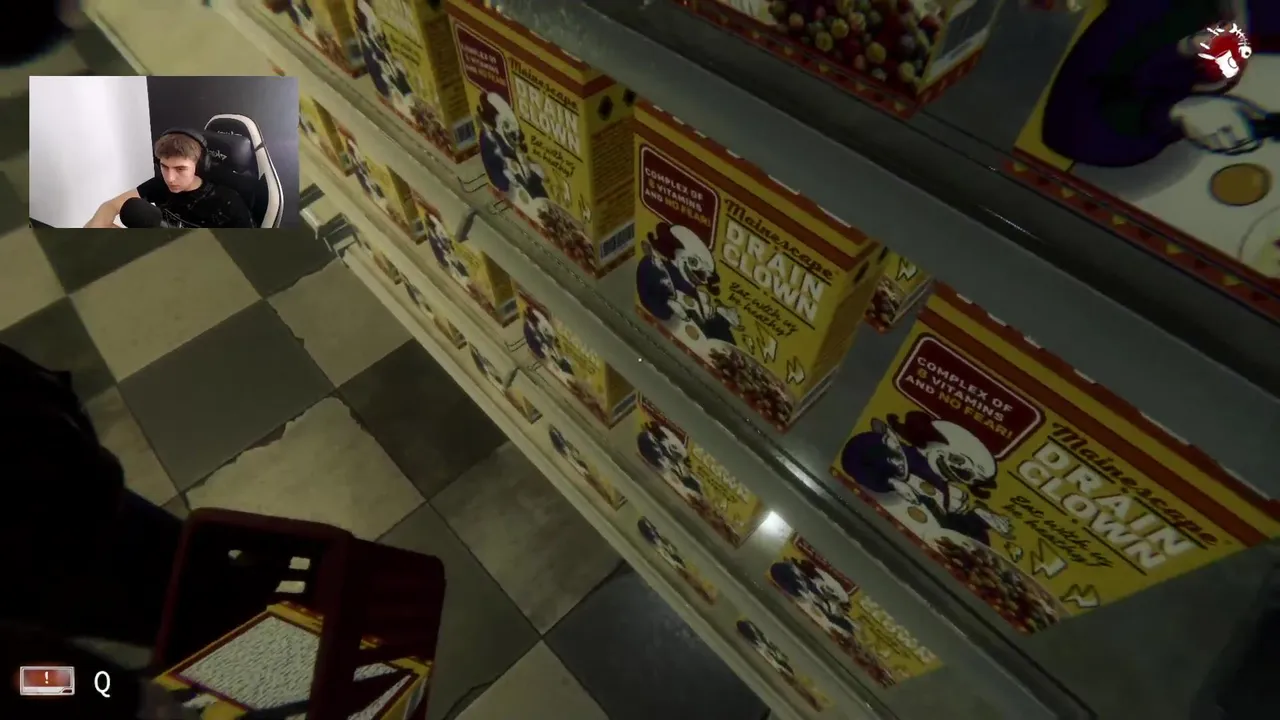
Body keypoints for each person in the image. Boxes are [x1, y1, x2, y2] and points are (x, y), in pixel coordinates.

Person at [84, 132, 254, 229]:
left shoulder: (228, 202)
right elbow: (111, 205)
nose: (170, 179)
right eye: (164, 167)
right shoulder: (160, 184)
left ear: (198, 165)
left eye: (180, 169)